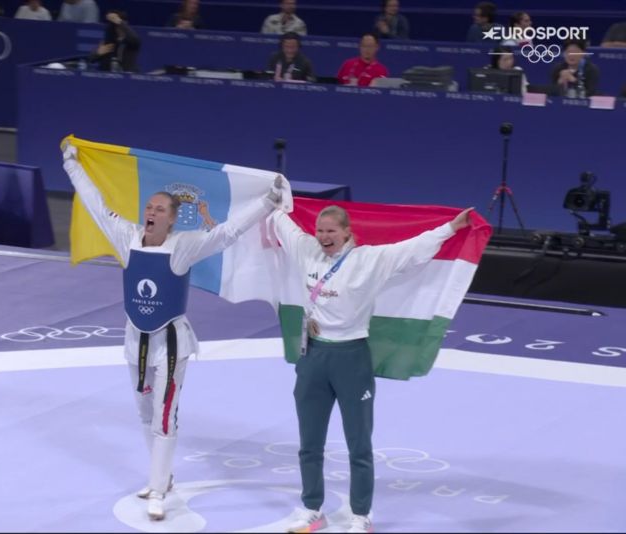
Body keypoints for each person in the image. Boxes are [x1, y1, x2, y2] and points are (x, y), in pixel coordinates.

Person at [61, 142, 284, 521]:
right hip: (135, 341)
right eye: (149, 207)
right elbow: (94, 203)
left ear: (173, 219)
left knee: (165, 416)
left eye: (159, 209)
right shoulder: (125, 238)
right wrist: (71, 165)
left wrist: (267, 202)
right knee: (144, 413)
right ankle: (160, 478)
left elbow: (227, 233)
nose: (150, 212)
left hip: (171, 343)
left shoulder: (183, 248)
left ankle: (159, 489)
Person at [270, 204, 473, 533]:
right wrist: (272, 198)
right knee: (309, 442)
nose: (324, 237)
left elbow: (412, 249)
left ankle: (360, 515)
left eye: (331, 231)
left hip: (351, 359)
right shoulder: (307, 249)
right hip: (313, 358)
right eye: (320, 230)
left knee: (358, 444)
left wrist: (451, 227)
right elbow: (283, 226)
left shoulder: (369, 260)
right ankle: (311, 509)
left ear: (347, 232)